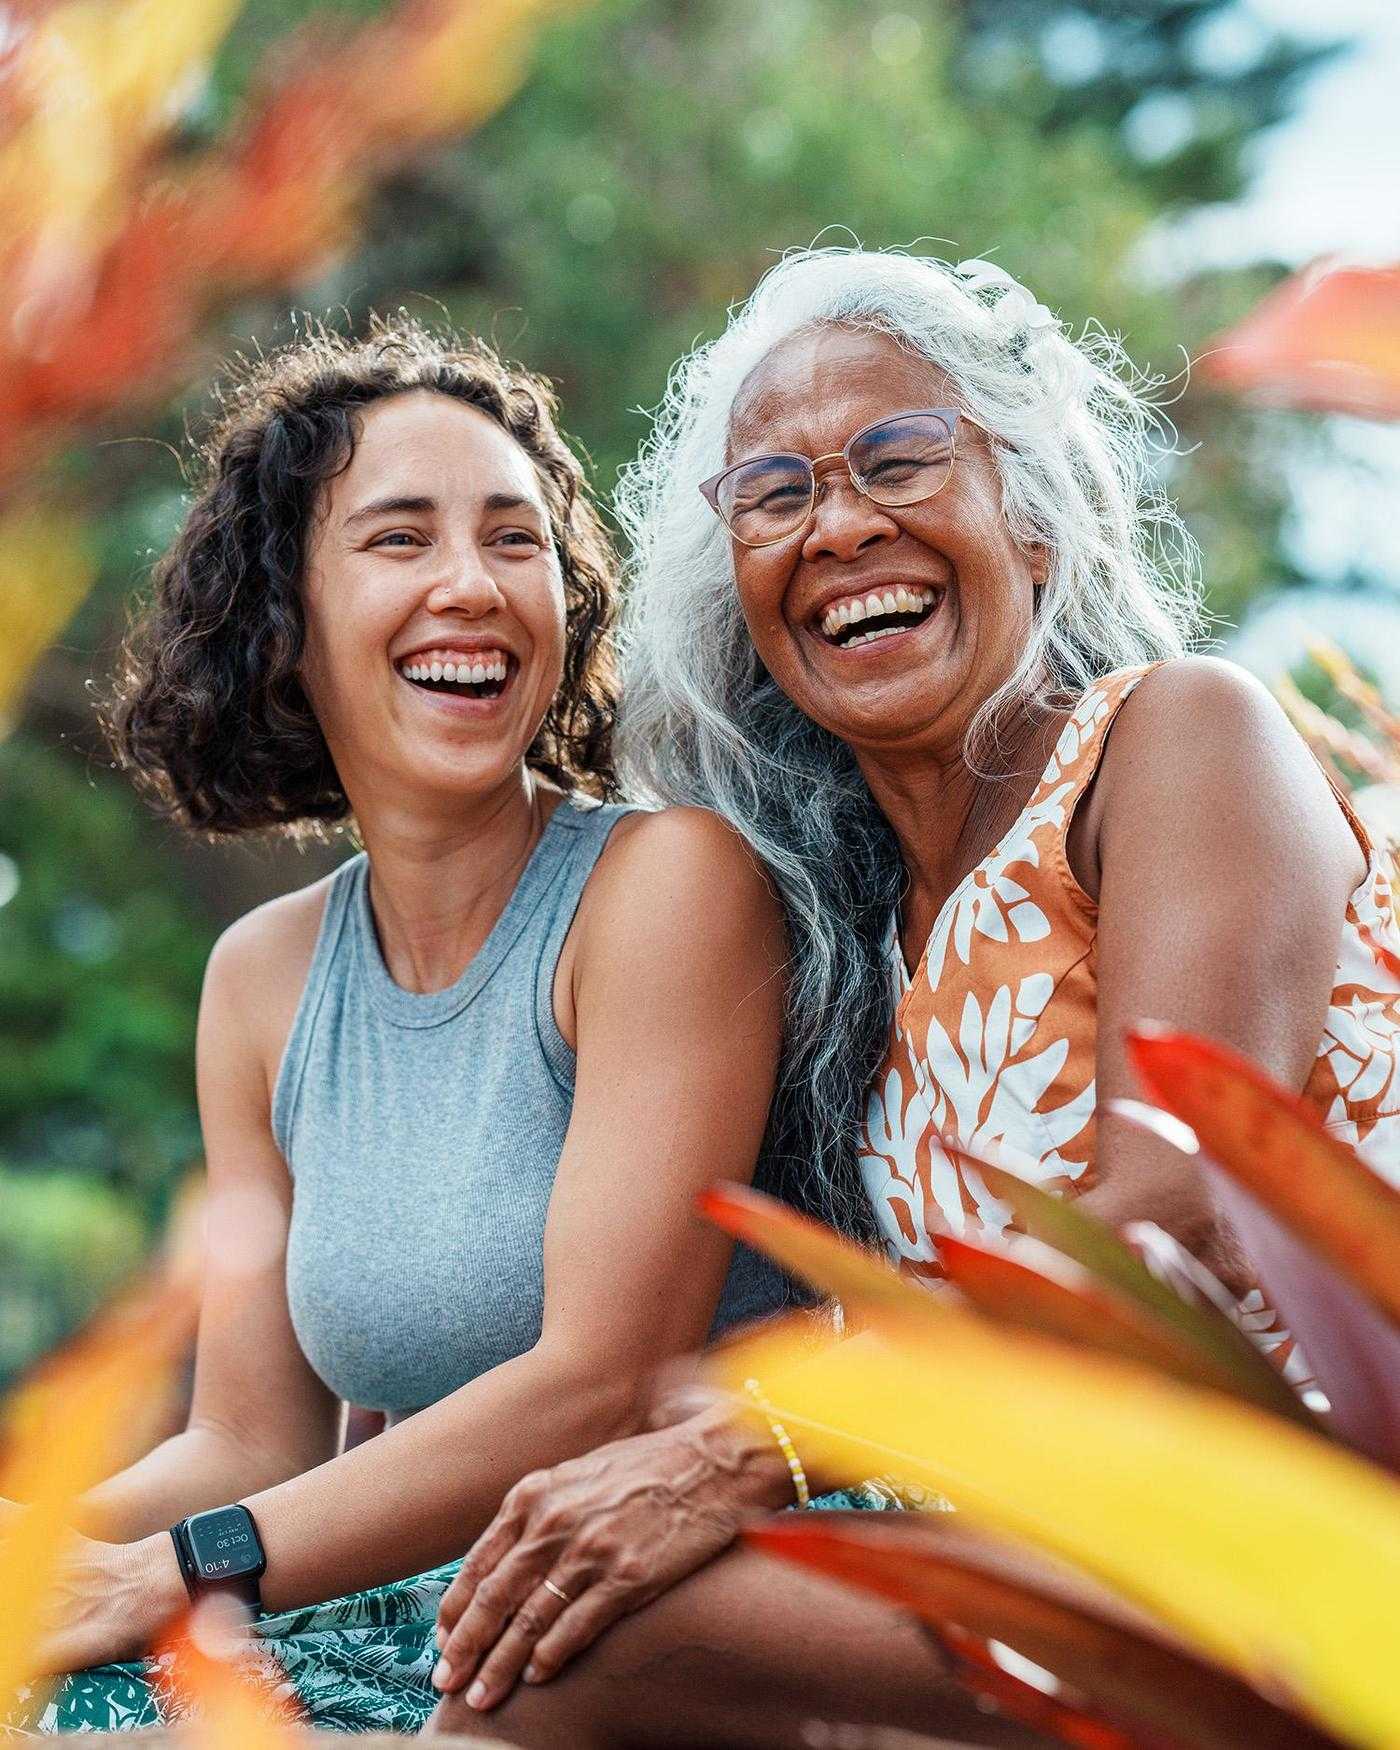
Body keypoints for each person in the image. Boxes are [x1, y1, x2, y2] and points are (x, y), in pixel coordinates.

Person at [428, 248, 1400, 1747]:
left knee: (587, 1644)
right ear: (732, 570)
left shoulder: (1177, 739)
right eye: (778, 491)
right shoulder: (851, 943)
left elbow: (1166, 1216)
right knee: (553, 1593)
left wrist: (745, 1453)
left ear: (1029, 503)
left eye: (899, 457)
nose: (843, 526)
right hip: (1081, 1554)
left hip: (1314, 1551)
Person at [0, 317, 798, 1735]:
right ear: (285, 619)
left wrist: (180, 1570)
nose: (471, 588)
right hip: (393, 1617)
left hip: (632, 1629)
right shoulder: (262, 977)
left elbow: (601, 1381)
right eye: (399, 539)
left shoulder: (665, 887)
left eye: (514, 539)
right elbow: (248, 1438)